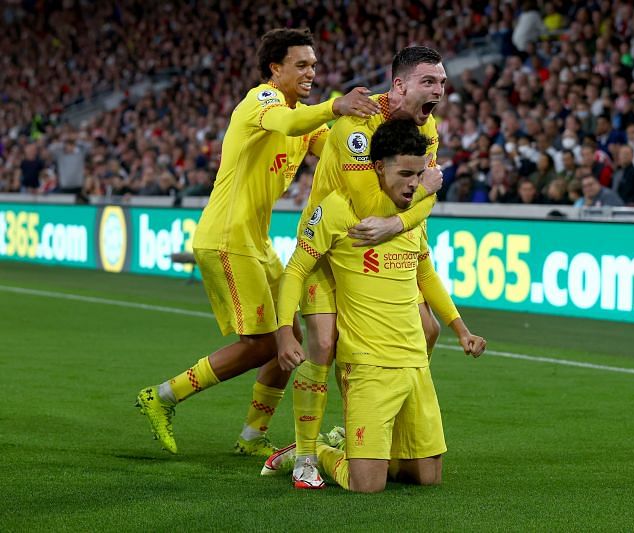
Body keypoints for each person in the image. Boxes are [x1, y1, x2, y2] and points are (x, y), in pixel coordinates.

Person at [134, 28, 379, 456]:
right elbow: (289, 120)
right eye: (301, 65)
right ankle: (162, 395)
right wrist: (335, 105)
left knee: (291, 338)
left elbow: (341, 149)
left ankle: (252, 436)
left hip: (257, 242)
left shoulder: (305, 119)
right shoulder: (261, 101)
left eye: (314, 65)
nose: (311, 72)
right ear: (275, 68)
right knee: (266, 343)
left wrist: (385, 122)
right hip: (228, 239)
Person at [272, 119, 486, 493]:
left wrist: (460, 328)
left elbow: (426, 275)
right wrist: (284, 333)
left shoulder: (412, 214)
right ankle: (317, 451)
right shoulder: (337, 209)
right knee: (366, 486)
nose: (413, 184)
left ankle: (365, 451)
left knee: (427, 477)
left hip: (414, 362)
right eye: (404, 173)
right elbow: (295, 271)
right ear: (376, 168)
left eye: (419, 174)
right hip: (368, 363)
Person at [270, 46, 448, 489]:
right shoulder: (358, 123)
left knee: (428, 330)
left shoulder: (430, 129)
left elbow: (419, 197)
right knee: (324, 344)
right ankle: (306, 453)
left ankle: (368, 425)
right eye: (429, 82)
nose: (439, 92)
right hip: (330, 242)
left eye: (442, 83)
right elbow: (372, 207)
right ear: (400, 84)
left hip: (378, 239)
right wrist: (416, 200)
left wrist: (408, 211)